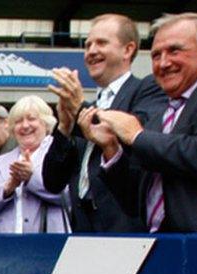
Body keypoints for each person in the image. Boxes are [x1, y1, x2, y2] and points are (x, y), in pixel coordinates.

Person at [85, 12, 197, 232]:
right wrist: (111, 149)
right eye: (155, 55)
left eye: (174, 50)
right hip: (157, 246)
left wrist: (137, 136)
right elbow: (134, 202)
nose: (163, 63)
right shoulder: (159, 115)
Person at [43, 13, 165, 233]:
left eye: (101, 43)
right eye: (88, 45)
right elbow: (52, 181)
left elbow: (128, 134)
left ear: (128, 50)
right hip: (82, 231)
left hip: (126, 229)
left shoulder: (147, 89)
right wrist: (64, 128)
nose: (91, 51)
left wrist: (79, 105)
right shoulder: (84, 106)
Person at [0, 95, 69, 233]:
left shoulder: (59, 152)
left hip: (50, 245)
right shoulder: (1, 161)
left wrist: (31, 178)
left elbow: (68, 196)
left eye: (31, 119)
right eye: (18, 121)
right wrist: (7, 188)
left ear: (46, 122)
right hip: (8, 247)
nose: (25, 125)